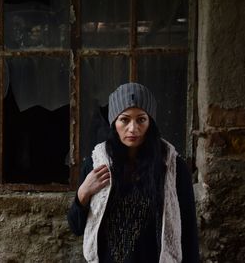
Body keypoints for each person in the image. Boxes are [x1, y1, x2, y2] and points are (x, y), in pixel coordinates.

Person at [67, 83, 199, 263]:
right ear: (114, 121)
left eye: (141, 119)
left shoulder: (172, 166)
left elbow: (189, 231)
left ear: (150, 121)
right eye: (125, 119)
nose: (133, 128)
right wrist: (83, 193)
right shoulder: (95, 164)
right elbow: (76, 227)